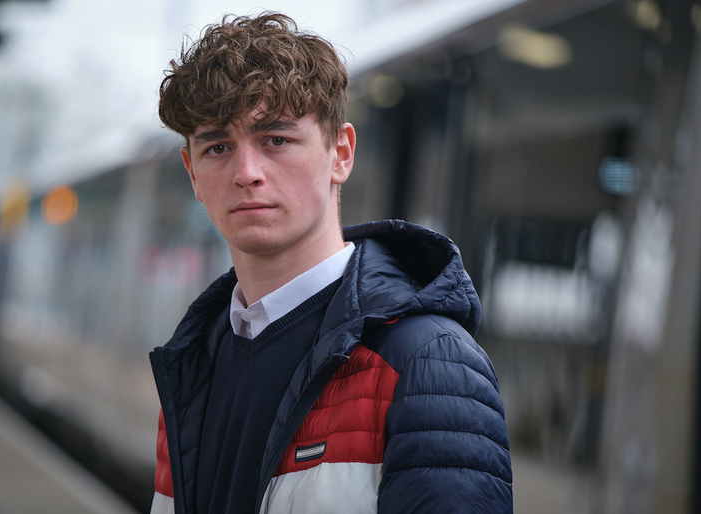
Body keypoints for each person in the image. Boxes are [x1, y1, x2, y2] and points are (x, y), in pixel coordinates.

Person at [149, 12, 512, 514]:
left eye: (276, 139)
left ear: (341, 152)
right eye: (217, 147)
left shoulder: (428, 362)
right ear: (192, 172)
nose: (246, 172)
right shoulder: (194, 359)